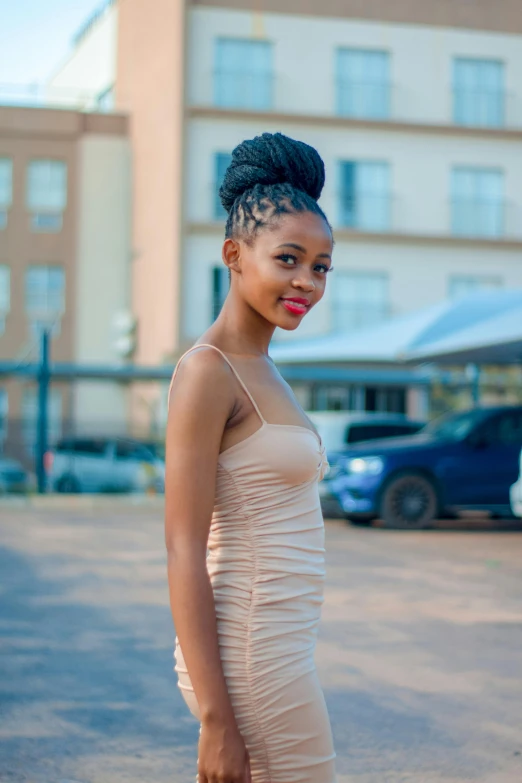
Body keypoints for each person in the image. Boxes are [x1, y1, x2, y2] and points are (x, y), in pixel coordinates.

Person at [165, 132, 337, 783]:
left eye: (321, 266)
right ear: (234, 255)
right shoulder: (208, 371)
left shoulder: (264, 367)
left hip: (279, 642)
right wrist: (216, 719)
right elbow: (184, 546)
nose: (306, 282)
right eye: (288, 258)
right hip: (249, 653)